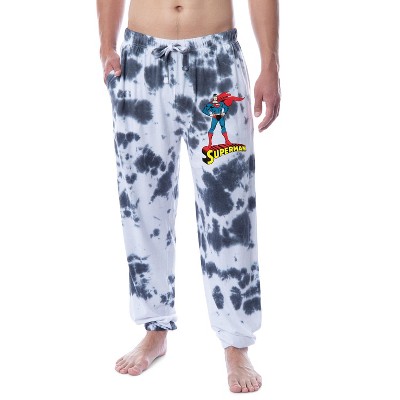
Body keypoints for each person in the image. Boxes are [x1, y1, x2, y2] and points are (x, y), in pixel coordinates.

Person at [96, 0, 280, 393]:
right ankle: (155, 327)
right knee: (142, 204)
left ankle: (236, 342)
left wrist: (270, 64)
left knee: (230, 210)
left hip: (217, 63)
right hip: (141, 63)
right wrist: (106, 45)